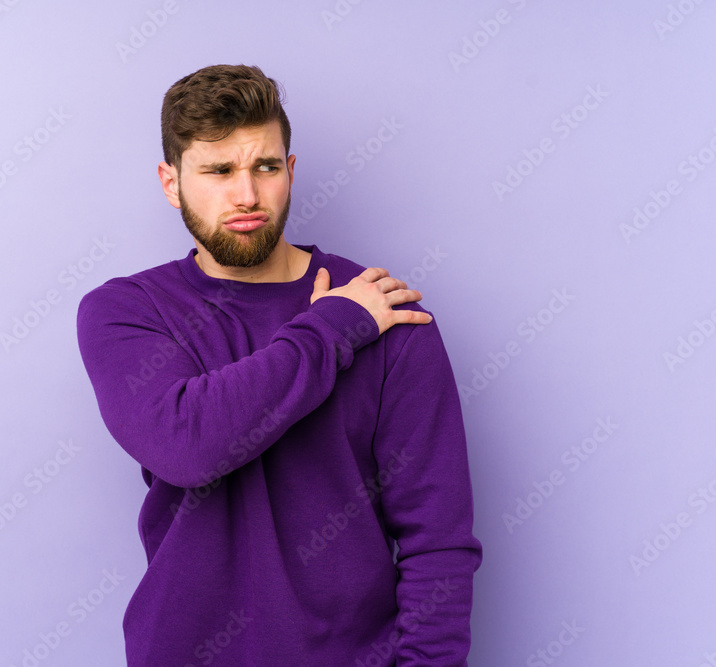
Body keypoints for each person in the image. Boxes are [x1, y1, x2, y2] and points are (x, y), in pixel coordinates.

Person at [76, 63, 482, 666]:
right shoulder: (128, 312)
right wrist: (333, 329)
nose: (246, 195)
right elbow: (188, 446)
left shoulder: (389, 315)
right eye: (219, 171)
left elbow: (438, 543)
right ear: (171, 182)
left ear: (289, 171)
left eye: (265, 167)